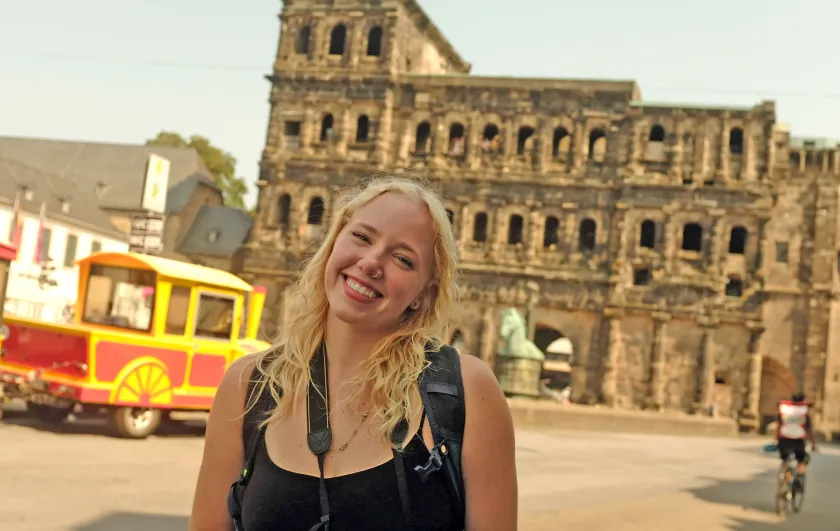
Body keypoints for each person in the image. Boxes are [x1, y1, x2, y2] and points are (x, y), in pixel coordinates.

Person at [188, 176, 518, 530]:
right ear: (333, 242)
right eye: (361, 237)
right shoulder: (248, 385)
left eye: (403, 259)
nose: (371, 262)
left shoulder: (464, 391)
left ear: (424, 292)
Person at [776, 391, 818, 488]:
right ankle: (798, 479)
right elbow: (809, 430)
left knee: (785, 459)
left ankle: (784, 479)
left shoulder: (785, 409)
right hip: (798, 441)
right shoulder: (804, 412)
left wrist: (776, 440)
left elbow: (778, 426)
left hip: (784, 440)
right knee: (803, 459)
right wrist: (813, 444)